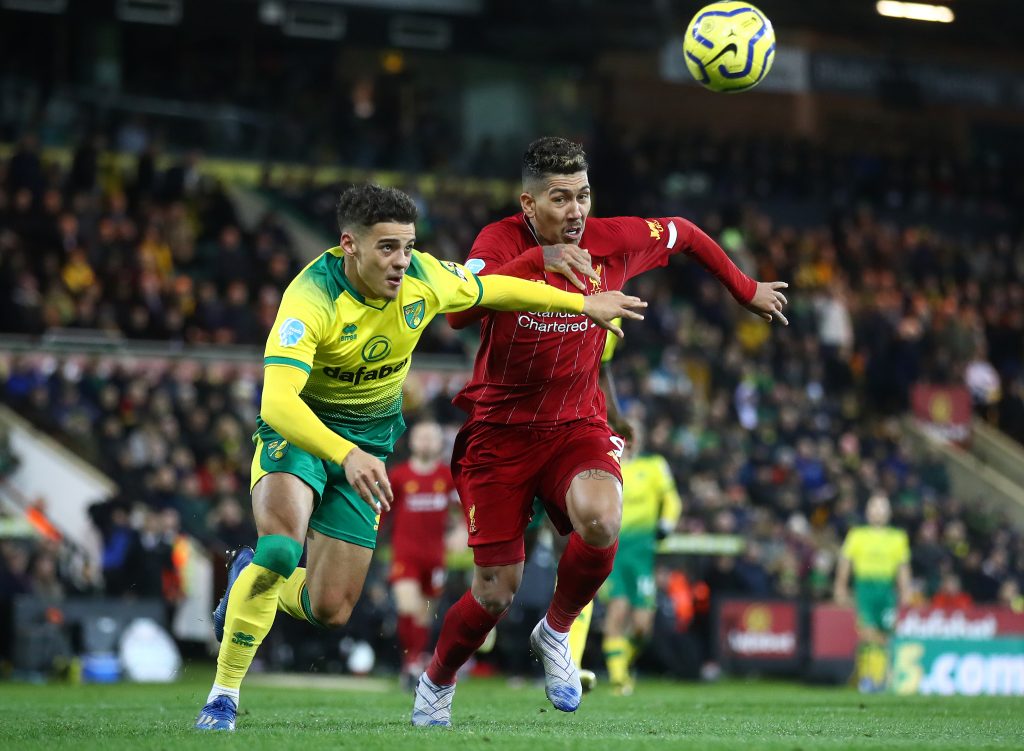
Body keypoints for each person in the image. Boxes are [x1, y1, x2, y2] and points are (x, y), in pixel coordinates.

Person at [194, 183, 646, 731]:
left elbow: (496, 290)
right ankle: (223, 695)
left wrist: (582, 303)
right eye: (386, 248)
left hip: (371, 442)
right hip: (304, 432)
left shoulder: (424, 278)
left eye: (407, 246)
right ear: (348, 246)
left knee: (331, 608)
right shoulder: (310, 298)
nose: (400, 262)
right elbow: (277, 401)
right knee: (281, 548)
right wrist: (344, 453)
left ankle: (247, 576)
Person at [413, 137, 789, 726]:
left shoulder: (613, 241)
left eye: (583, 195)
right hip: (501, 434)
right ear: (528, 205)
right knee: (494, 592)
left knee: (602, 516)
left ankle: (556, 632)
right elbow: (460, 311)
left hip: (575, 426)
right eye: (559, 199)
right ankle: (436, 680)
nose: (575, 211)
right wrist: (539, 262)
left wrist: (745, 289)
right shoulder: (499, 242)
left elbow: (684, 232)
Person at [601, 420, 681, 696]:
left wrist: (666, 525)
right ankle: (618, 679)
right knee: (617, 612)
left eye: (634, 434)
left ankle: (622, 664)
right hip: (615, 550)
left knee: (642, 626)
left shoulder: (655, 465)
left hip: (643, 552)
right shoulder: (606, 466)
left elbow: (672, 499)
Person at [386, 420, 460, 690]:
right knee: (407, 606)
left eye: (432, 437)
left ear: (440, 443)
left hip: (436, 557)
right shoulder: (399, 475)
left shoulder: (448, 477)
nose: (427, 442)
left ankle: (415, 662)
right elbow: (384, 513)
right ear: (412, 442)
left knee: (425, 614)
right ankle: (412, 663)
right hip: (405, 554)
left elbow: (463, 510)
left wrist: (462, 531)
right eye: (422, 437)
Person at [833, 494, 911, 693]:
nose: (877, 511)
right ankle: (867, 678)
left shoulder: (898, 537)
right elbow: (845, 562)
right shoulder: (857, 535)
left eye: (882, 507)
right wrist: (840, 587)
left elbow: (903, 567)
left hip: (886, 591)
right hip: (864, 589)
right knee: (867, 634)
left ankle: (881, 679)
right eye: (874, 507)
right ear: (867, 511)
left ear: (889, 512)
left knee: (885, 636)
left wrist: (905, 591)